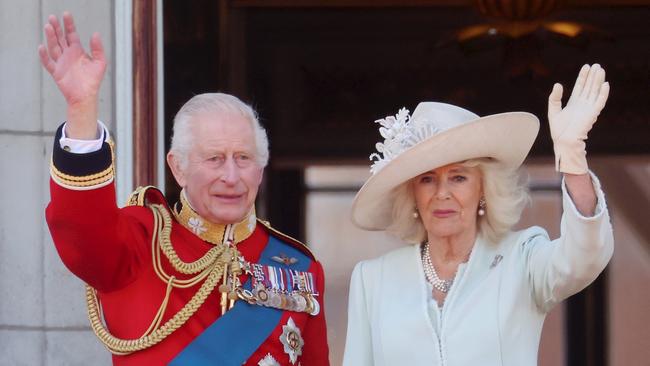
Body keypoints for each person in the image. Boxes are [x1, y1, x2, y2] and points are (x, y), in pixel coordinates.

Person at [40, 12, 329, 366]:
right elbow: (81, 228)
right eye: (214, 159)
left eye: (243, 158)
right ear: (178, 167)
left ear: (261, 169)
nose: (231, 176)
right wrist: (82, 109)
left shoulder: (300, 270)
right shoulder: (140, 244)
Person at [343, 64, 613, 365]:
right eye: (427, 179)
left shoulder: (522, 260)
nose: (442, 193)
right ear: (412, 195)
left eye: (458, 177)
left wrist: (572, 158)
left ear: (483, 189)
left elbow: (584, 257)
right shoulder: (373, 279)